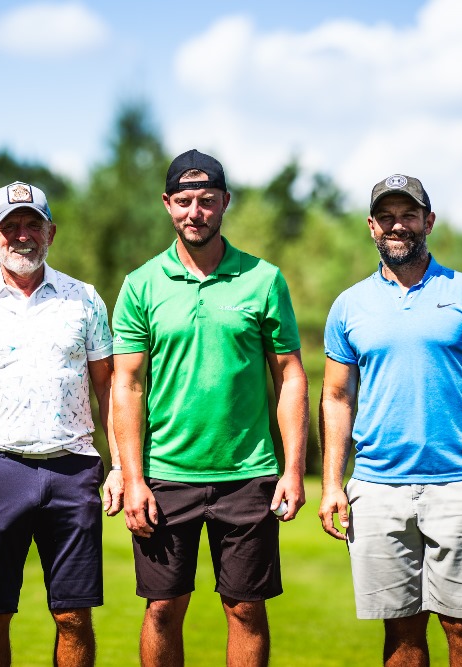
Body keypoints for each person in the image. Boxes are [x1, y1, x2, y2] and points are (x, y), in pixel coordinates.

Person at [112, 149, 309, 667]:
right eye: (184, 202)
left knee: (245, 609)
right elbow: (126, 385)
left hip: (248, 474)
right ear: (167, 204)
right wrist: (132, 478)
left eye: (206, 200)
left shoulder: (263, 279)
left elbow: (290, 375)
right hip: (164, 475)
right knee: (162, 609)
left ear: (225, 202)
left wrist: (292, 469)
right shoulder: (141, 284)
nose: (194, 212)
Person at [318, 174, 462, 666]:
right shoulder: (349, 305)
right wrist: (331, 484)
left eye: (408, 215)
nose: (397, 225)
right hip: (377, 487)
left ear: (428, 221)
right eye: (386, 216)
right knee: (401, 632)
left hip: (461, 486)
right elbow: (337, 396)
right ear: (371, 226)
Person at [0, 181, 121, 667]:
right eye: (10, 225)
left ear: (50, 232)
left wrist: (120, 467)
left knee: (73, 616)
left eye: (33, 224)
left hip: (73, 468)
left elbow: (108, 388)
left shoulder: (84, 299)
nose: (22, 235)